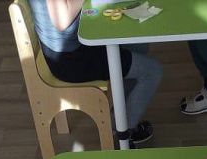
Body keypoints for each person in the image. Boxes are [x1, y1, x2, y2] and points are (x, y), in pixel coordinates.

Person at [29, 0, 163, 145]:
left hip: (73, 43)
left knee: (138, 43)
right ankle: (123, 132)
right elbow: (61, 21)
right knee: (152, 71)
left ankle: (120, 117)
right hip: (70, 60)